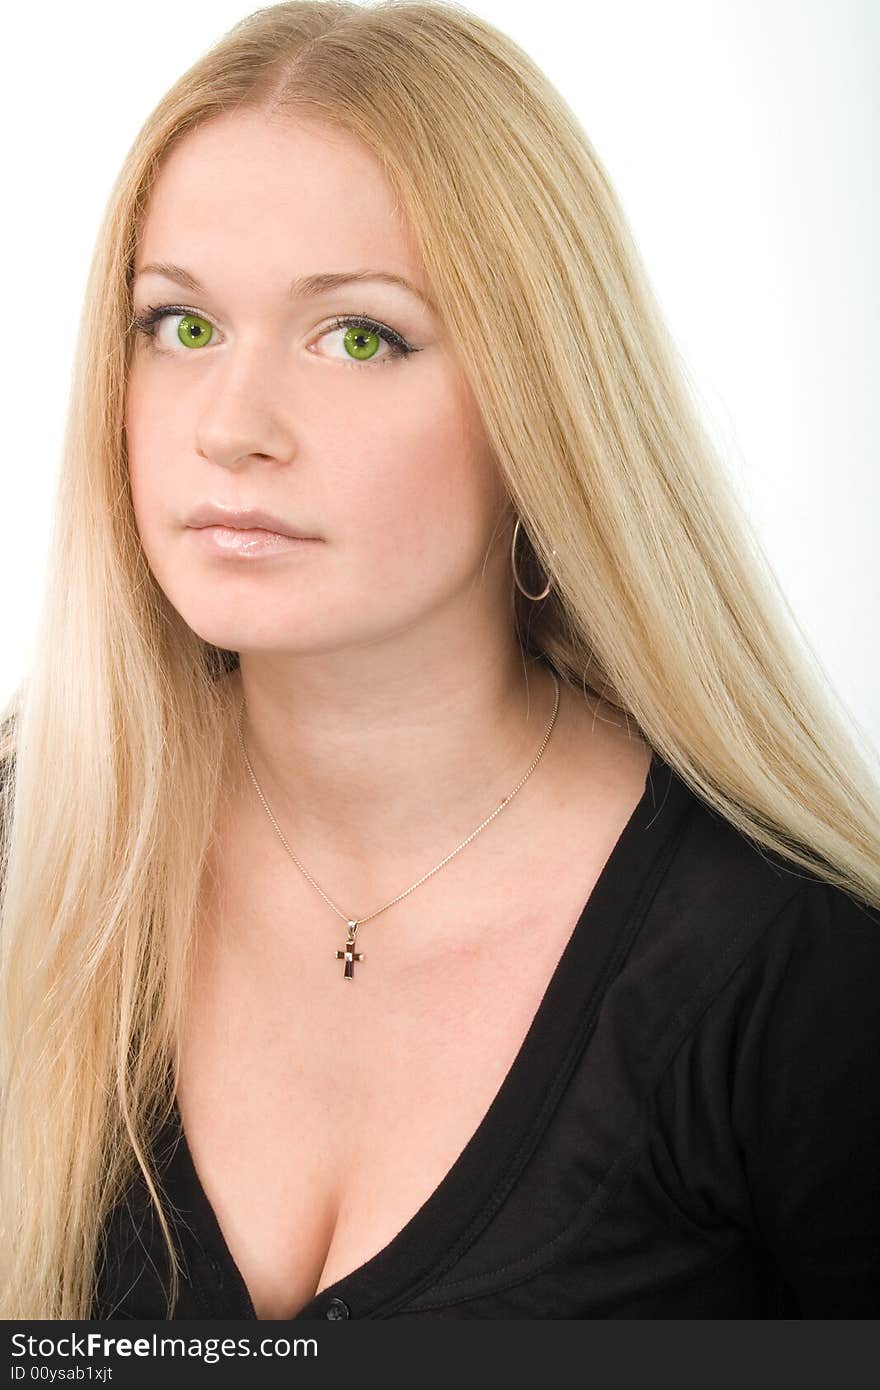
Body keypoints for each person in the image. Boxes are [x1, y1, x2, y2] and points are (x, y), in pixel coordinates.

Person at [0, 0, 877, 1322]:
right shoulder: (30, 843)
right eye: (181, 326)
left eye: (358, 335)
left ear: (543, 405)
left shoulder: (788, 972)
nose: (230, 426)